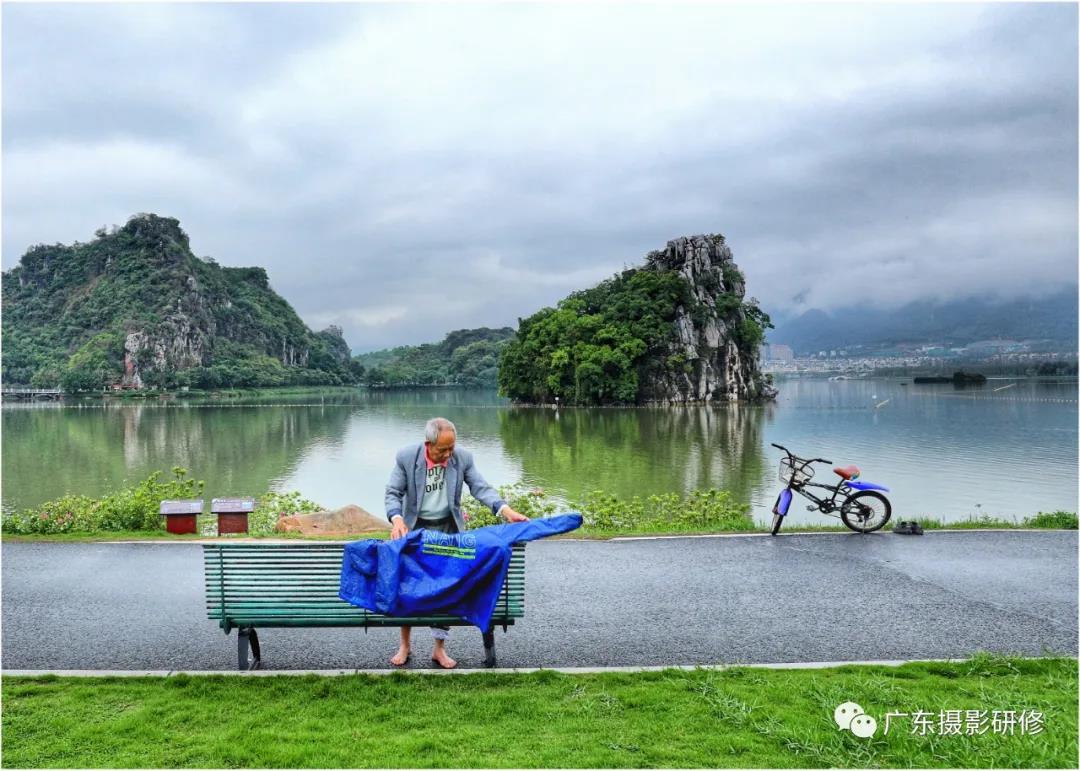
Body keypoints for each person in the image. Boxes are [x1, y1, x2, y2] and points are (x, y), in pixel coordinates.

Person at [384, 417, 529, 668]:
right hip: (415, 531)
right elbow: (393, 493)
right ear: (428, 444)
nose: (449, 454)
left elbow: (480, 488)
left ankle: (439, 649)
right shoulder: (407, 457)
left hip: (448, 530)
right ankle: (405, 645)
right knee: (407, 587)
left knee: (445, 587)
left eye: (452, 448)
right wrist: (397, 519)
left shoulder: (462, 457)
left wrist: (506, 510)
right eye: (443, 449)